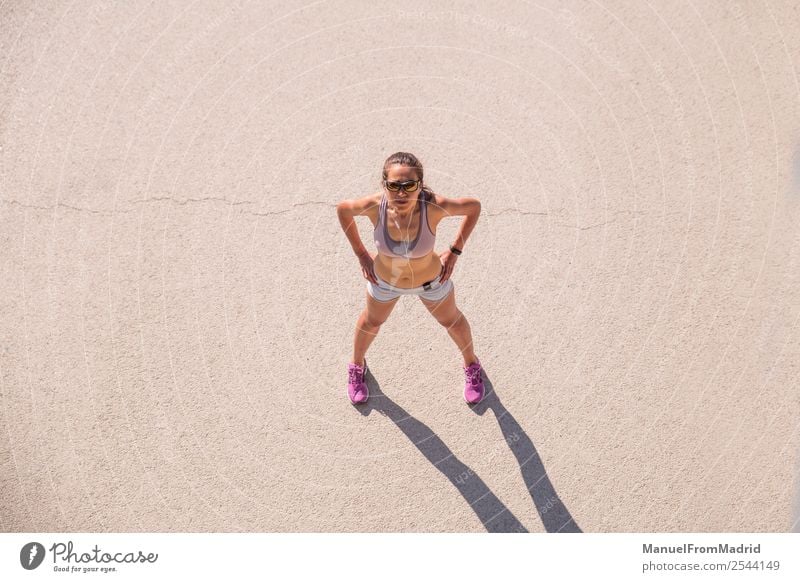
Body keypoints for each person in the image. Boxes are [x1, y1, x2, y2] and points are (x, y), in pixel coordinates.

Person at [336, 152, 485, 405]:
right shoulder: (375, 206)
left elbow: (473, 207)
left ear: (420, 184)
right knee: (371, 323)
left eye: (409, 186)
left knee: (453, 323)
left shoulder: (434, 207)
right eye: (394, 186)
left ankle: (472, 365)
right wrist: (361, 254)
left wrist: (455, 251)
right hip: (385, 282)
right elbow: (343, 211)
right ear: (384, 184)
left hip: (430, 283)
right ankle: (357, 366)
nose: (401, 193)